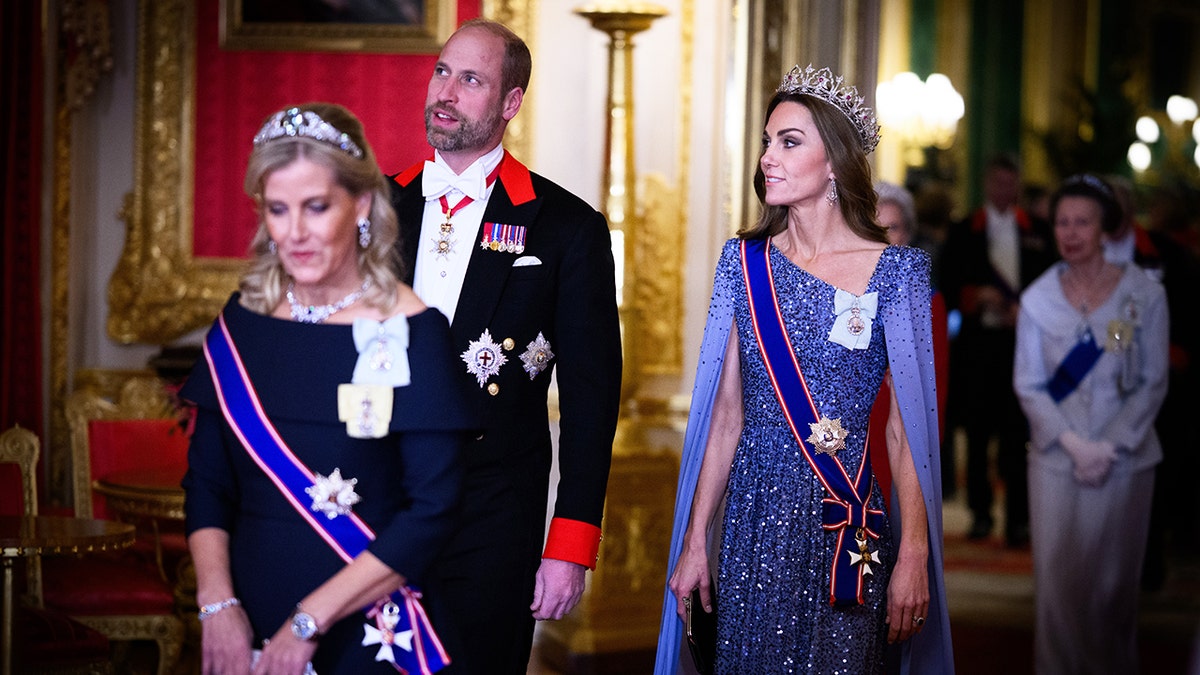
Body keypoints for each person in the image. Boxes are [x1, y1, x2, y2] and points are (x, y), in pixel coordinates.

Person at [655, 65, 953, 674]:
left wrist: (915, 550)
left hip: (847, 522)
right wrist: (693, 542)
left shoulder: (898, 274)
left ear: (836, 163)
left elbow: (906, 430)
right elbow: (726, 418)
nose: (768, 156)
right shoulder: (742, 264)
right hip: (753, 519)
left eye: (790, 142)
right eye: (767, 141)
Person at [181, 103, 474, 674]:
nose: (295, 234)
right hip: (245, 625)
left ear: (360, 204)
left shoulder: (413, 333)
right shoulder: (242, 324)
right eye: (277, 210)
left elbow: (432, 512)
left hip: (369, 632)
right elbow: (207, 484)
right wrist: (216, 605)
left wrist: (308, 621)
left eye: (316, 208)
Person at [387, 19, 622, 674]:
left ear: (510, 102)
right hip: (375, 500)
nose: (447, 91)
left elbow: (591, 399)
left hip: (489, 518)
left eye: (471, 80)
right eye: (441, 72)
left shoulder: (566, 227)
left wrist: (570, 544)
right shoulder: (374, 207)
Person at [1013, 174, 1168, 674]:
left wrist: (1110, 445)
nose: (1071, 232)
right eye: (1062, 222)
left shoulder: (1143, 296)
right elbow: (1029, 384)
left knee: (1113, 593)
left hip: (1126, 463)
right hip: (1057, 462)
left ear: (1107, 229)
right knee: (1059, 590)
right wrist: (1074, 443)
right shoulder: (1038, 299)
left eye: (1083, 222)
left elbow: (1152, 380)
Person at [940, 153, 1053, 545]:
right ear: (988, 184)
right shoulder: (966, 229)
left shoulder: (1038, 231)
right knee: (976, 434)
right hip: (977, 347)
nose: (1003, 190)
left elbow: (1052, 283)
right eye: (997, 182)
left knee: (1016, 434)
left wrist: (1027, 309)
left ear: (1017, 186)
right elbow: (947, 283)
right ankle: (981, 514)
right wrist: (978, 295)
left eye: (1010, 183)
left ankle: (1018, 519)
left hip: (1021, 345)